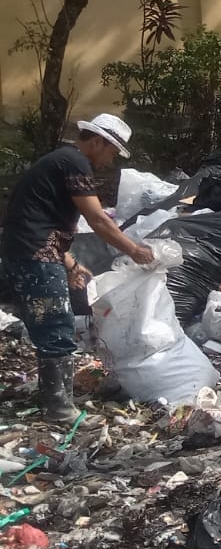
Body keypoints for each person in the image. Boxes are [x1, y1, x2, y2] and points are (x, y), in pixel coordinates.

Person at [0, 114, 155, 422]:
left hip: (26, 251)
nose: (111, 159)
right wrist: (135, 250)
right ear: (97, 141)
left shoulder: (60, 160)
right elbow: (97, 220)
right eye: (112, 150)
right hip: (34, 256)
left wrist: (70, 263)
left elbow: (40, 218)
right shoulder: (74, 163)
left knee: (47, 325)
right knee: (56, 325)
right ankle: (58, 408)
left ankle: (52, 398)